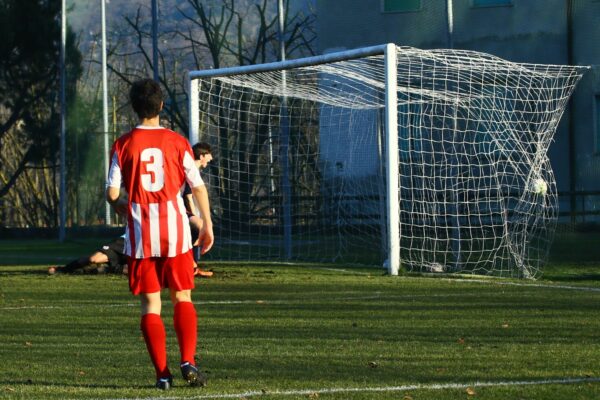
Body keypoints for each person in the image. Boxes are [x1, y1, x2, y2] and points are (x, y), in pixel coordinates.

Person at [105, 78, 214, 390]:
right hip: (176, 232)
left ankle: (162, 374)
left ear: (133, 108)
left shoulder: (123, 144)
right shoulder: (178, 142)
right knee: (182, 296)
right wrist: (207, 224)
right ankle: (188, 360)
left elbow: (112, 193)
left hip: (142, 235)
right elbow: (197, 186)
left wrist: (124, 206)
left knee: (151, 305)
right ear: (161, 106)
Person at [183, 142, 214, 278]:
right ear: (201, 156)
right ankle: (192, 266)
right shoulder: (190, 170)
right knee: (199, 226)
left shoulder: (193, 170)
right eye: (209, 154)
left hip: (180, 211)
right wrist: (194, 216)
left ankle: (192, 265)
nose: (211, 158)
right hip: (176, 211)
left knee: (195, 231)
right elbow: (188, 196)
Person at [48, 235, 127, 275]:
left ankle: (106, 269)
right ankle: (63, 269)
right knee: (94, 259)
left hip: (137, 246)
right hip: (124, 241)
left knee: (132, 270)